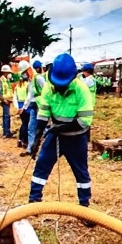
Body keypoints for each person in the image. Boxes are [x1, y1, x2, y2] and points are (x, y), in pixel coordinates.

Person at [28, 53, 95, 228]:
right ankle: (34, 201)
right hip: (55, 135)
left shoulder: (81, 90)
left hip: (76, 138)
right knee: (41, 165)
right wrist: (35, 141)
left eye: (62, 85)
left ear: (72, 78)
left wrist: (58, 128)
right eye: (56, 84)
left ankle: (85, 209)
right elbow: (43, 115)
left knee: (81, 173)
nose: (58, 88)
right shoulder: (48, 88)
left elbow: (84, 121)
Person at [20, 60, 47, 157]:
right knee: (30, 128)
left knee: (42, 128)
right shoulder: (31, 81)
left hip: (40, 106)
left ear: (28, 70)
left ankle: (52, 145)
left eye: (24, 73)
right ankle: (30, 149)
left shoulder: (39, 78)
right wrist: (24, 107)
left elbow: (47, 92)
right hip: (33, 106)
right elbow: (29, 95)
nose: (24, 75)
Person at [13, 69, 30, 149]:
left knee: (23, 123)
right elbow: (28, 97)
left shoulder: (17, 86)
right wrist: (24, 107)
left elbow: (15, 98)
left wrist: (17, 108)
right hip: (26, 106)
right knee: (26, 124)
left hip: (19, 105)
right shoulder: (27, 85)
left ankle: (20, 139)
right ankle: (24, 141)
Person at [0, 65, 14, 138]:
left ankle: (6, 132)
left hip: (8, 100)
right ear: (4, 72)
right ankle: (7, 132)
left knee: (6, 116)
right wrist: (4, 100)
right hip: (5, 101)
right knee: (6, 116)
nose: (9, 73)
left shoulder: (7, 80)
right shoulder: (1, 80)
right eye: (8, 72)